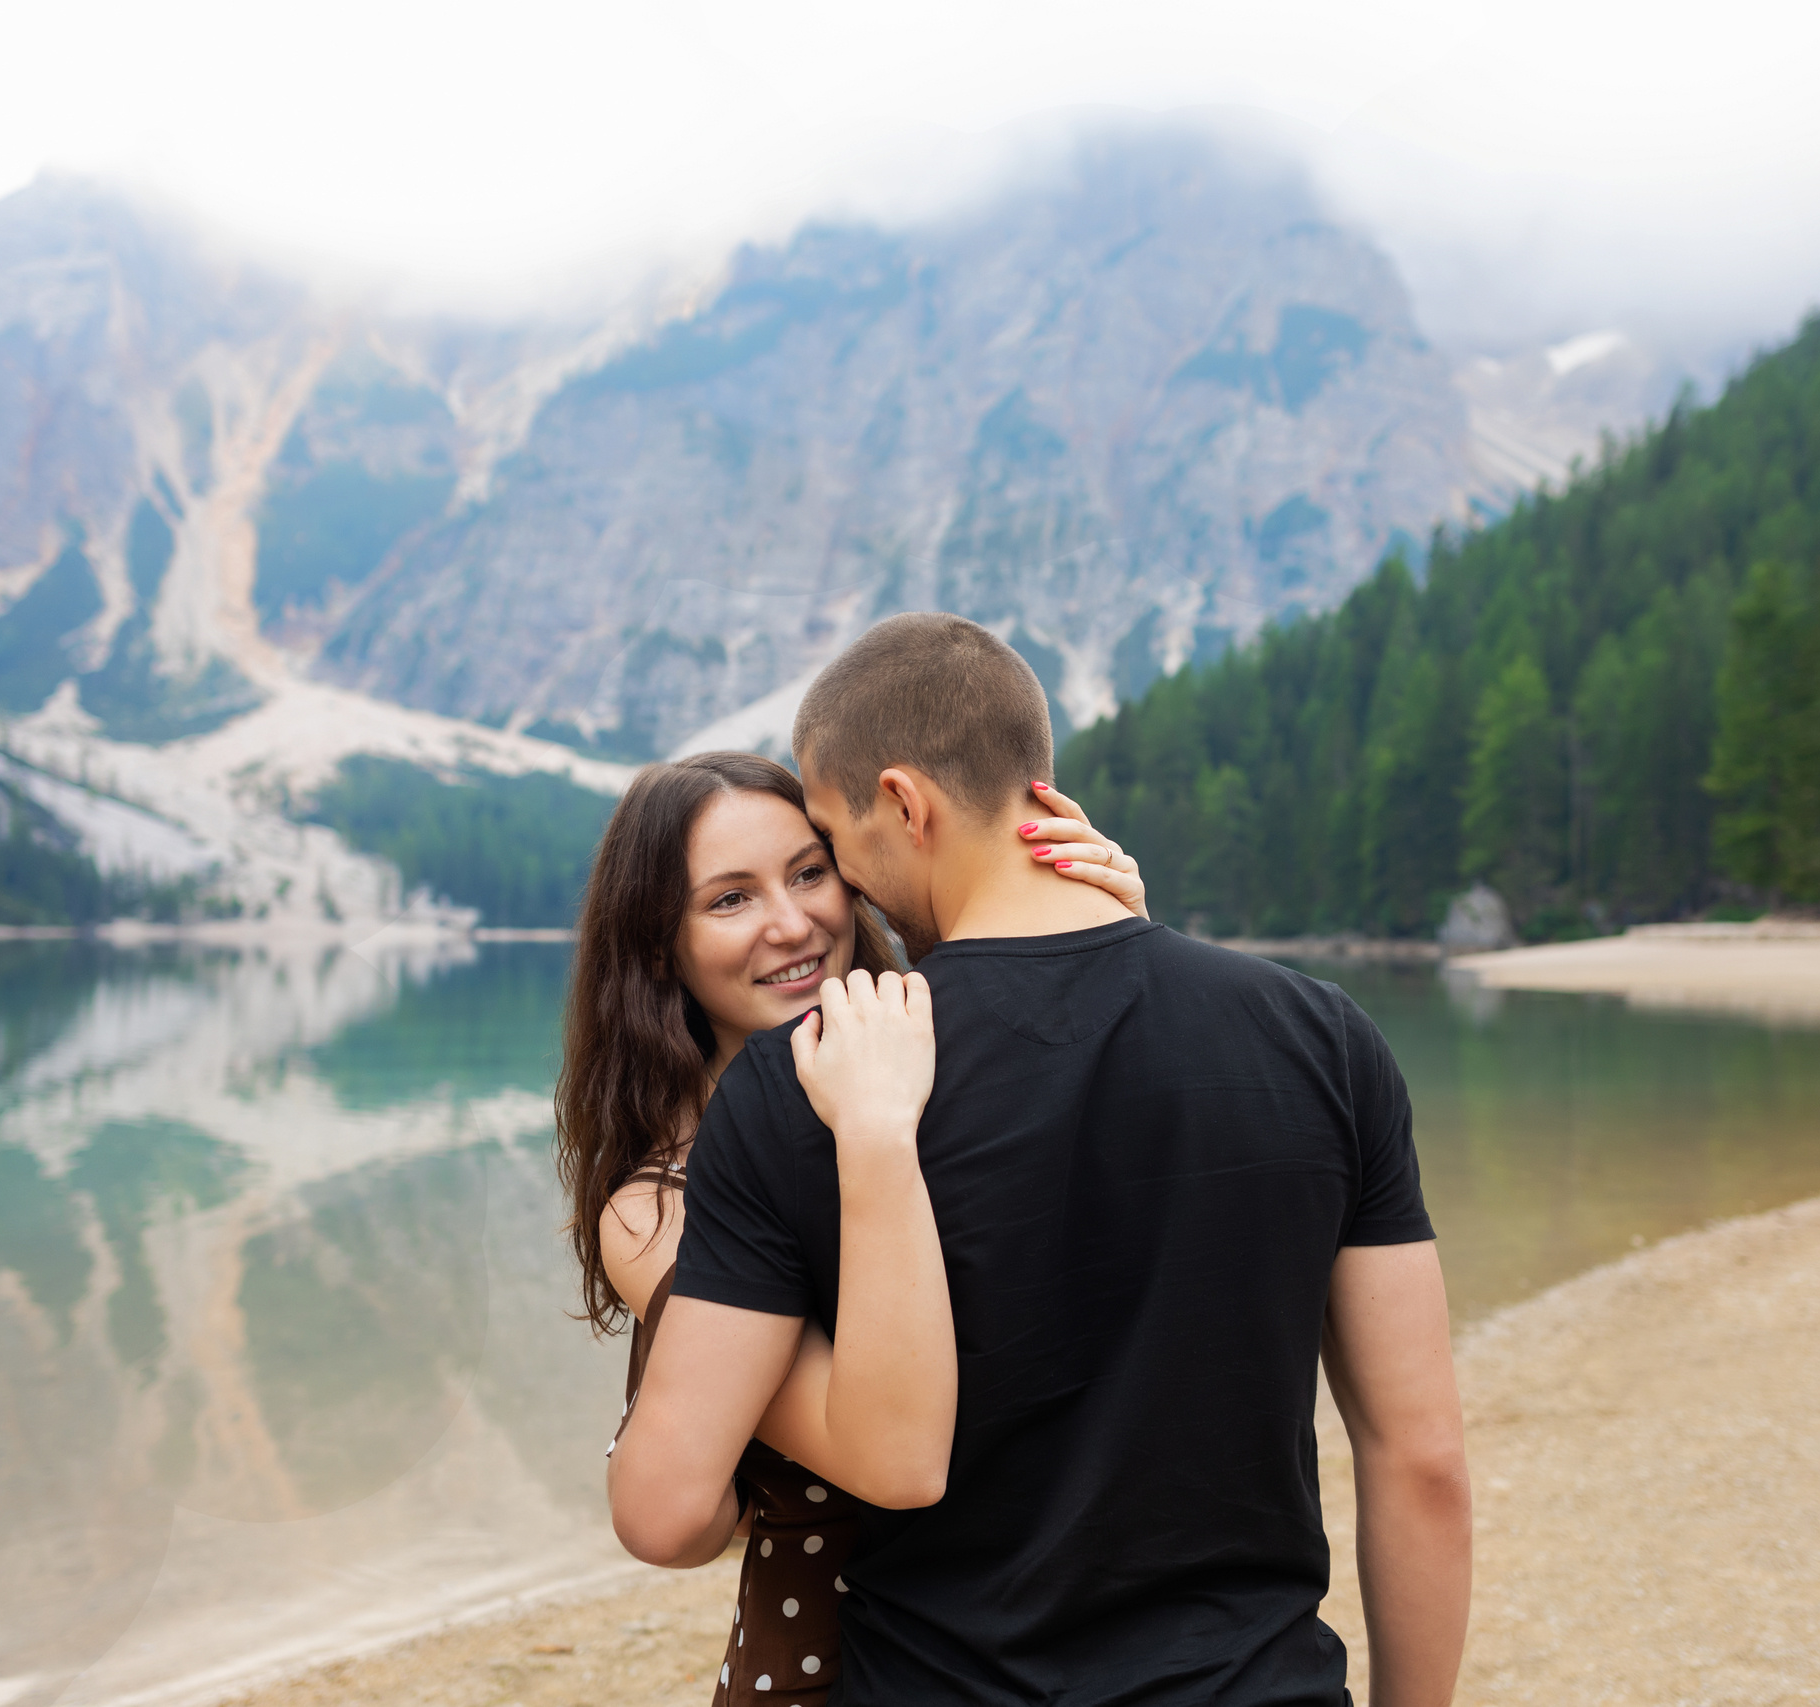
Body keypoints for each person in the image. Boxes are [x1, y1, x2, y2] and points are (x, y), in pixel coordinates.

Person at [610, 616, 1472, 1707]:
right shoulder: (1322, 1038)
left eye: (833, 850)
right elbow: (1423, 1459)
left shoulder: (808, 1087)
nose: (847, 899)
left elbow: (671, 1506)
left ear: (904, 805)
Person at [559, 751, 1146, 1705]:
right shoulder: (657, 1203)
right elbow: (699, 1510)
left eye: (807, 871)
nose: (792, 924)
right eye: (728, 900)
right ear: (655, 946)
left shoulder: (946, 1062)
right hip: (831, 1665)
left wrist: (1107, 939)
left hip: (1055, 1638)